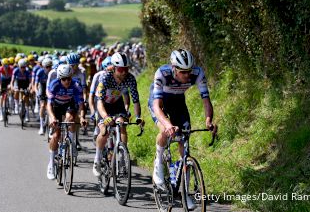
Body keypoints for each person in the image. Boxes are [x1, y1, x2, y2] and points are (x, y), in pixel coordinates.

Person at [148, 49, 217, 209]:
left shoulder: (197, 73)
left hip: (178, 101)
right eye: (183, 72)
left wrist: (208, 121)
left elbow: (206, 100)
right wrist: (167, 124)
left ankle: (185, 193)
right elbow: (157, 107)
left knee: (184, 142)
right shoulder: (162, 74)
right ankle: (158, 162)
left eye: (189, 71)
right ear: (173, 69)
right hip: (160, 100)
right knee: (165, 131)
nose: (187, 75)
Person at [92, 52, 144, 177]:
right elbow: (99, 102)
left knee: (122, 124)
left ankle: (122, 155)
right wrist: (105, 117)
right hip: (103, 104)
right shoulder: (105, 77)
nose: (124, 72)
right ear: (114, 68)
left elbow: (135, 100)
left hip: (117, 103)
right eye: (121, 69)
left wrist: (138, 117)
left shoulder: (130, 78)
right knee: (104, 131)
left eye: (126, 69)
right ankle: (97, 160)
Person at [46, 64, 87, 180]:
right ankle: (51, 163)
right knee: (56, 135)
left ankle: (72, 143)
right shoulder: (54, 85)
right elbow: (49, 105)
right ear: (59, 78)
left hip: (69, 104)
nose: (67, 81)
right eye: (64, 79)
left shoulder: (76, 85)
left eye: (69, 78)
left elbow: (80, 105)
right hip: (56, 106)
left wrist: (82, 117)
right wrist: (52, 117)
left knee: (71, 119)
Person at [88, 57, 130, 142]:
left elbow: (126, 97)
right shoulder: (98, 76)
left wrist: (126, 110)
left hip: (115, 102)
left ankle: (123, 150)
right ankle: (97, 132)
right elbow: (92, 95)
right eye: (107, 70)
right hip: (101, 100)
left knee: (121, 125)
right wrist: (93, 111)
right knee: (103, 129)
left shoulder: (121, 78)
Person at [66, 53, 87, 149]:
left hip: (77, 96)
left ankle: (76, 139)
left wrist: (84, 99)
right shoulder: (64, 71)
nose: (74, 67)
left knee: (77, 119)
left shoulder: (81, 73)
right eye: (71, 65)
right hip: (65, 96)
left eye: (75, 65)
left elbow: (83, 89)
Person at [35, 58, 52, 135]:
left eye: (50, 66)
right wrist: (37, 93)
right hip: (42, 86)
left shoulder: (53, 72)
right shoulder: (40, 72)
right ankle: (41, 126)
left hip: (50, 87)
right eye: (47, 67)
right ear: (43, 67)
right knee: (42, 105)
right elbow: (35, 85)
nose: (48, 68)